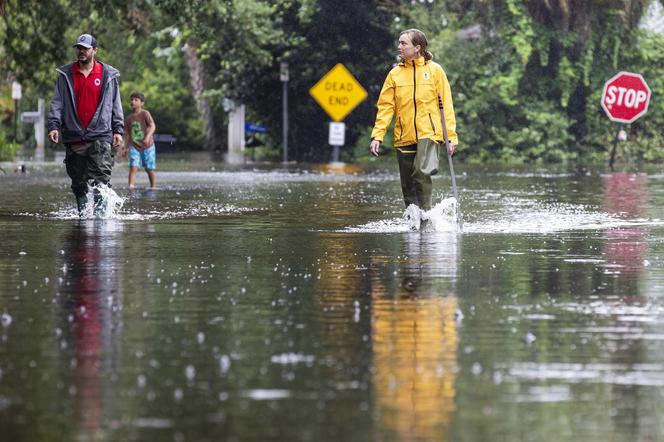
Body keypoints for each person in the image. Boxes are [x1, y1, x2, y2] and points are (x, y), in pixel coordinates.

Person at [370, 29, 459, 219]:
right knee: (407, 184)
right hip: (404, 136)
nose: (399, 47)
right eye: (399, 43)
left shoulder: (435, 71)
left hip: (429, 133)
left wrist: (450, 136)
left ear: (417, 47)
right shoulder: (394, 74)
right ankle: (413, 221)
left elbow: (447, 106)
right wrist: (377, 135)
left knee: (420, 172)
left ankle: (427, 217)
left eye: (404, 43)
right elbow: (385, 107)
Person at [48, 33, 124, 216]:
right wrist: (53, 125)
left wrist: (118, 130)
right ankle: (83, 219)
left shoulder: (108, 75)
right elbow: (57, 102)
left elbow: (116, 103)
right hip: (74, 135)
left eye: (85, 48)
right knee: (79, 184)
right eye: (79, 48)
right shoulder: (66, 75)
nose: (81, 52)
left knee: (101, 181)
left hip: (101, 134)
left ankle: (100, 222)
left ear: (94, 51)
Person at [123, 91, 156, 189]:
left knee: (149, 168)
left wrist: (147, 137)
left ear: (142, 103)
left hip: (148, 146)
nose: (133, 101)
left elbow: (152, 126)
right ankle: (131, 187)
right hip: (134, 146)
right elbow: (128, 135)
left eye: (136, 100)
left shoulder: (145, 114)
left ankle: (153, 187)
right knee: (133, 166)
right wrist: (125, 148)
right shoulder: (129, 119)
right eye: (132, 100)